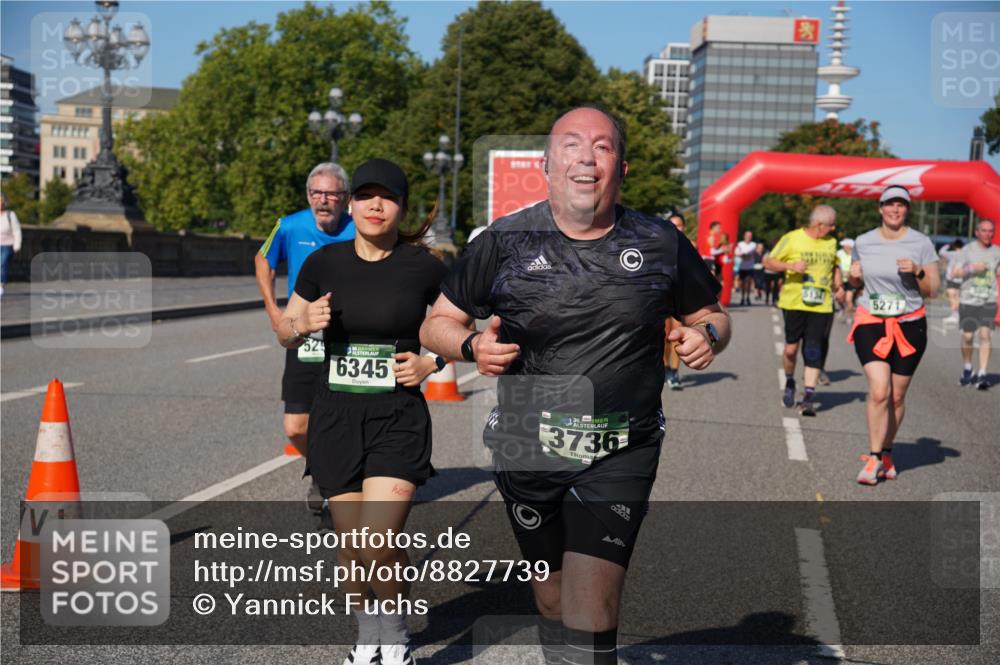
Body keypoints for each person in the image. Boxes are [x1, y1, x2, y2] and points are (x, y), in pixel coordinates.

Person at [420, 105, 729, 665]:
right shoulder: (502, 241)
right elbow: (436, 322)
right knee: (552, 597)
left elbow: (713, 313)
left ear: (623, 167)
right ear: (546, 163)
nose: (587, 157)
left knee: (590, 610)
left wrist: (707, 333)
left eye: (603, 146)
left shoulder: (659, 241)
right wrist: (469, 348)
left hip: (621, 444)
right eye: (571, 144)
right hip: (526, 438)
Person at [277, 159, 447, 665]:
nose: (376, 205)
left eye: (387, 196)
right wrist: (302, 321)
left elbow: (461, 326)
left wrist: (431, 361)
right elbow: (285, 330)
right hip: (335, 416)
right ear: (351, 204)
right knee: (352, 547)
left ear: (401, 207)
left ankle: (395, 641)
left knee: (376, 538)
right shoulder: (323, 264)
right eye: (366, 195)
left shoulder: (426, 266)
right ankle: (366, 638)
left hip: (397, 416)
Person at [256, 162, 356, 511]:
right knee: (296, 426)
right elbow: (262, 259)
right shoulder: (287, 225)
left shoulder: (360, 228)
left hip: (350, 337)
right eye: (316, 193)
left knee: (350, 420)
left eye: (331, 194)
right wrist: (274, 311)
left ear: (345, 198)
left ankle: (341, 483)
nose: (323, 200)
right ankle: (324, 472)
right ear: (308, 195)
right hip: (304, 334)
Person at [848, 185, 939, 484]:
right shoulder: (864, 241)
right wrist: (853, 278)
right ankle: (874, 458)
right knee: (879, 390)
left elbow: (932, 291)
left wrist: (918, 271)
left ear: (907, 210)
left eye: (901, 205)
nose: (895, 210)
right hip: (871, 321)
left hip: (910, 323)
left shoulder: (921, 243)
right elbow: (854, 284)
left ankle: (886, 452)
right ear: (880, 208)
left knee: (897, 397)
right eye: (890, 204)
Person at [763, 205, 841, 416]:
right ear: (819, 225)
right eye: (831, 225)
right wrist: (790, 267)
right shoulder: (792, 238)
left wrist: (839, 285)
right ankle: (790, 381)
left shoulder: (832, 242)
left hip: (822, 304)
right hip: (794, 302)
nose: (834, 228)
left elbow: (835, 266)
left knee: (813, 349)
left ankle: (808, 396)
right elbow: (768, 262)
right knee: (790, 349)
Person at [950, 219, 1000, 390]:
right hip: (968, 300)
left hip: (989, 299)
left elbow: (997, 270)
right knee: (968, 337)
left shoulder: (997, 251)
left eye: (990, 231)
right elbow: (954, 272)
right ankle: (967, 367)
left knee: (985, 336)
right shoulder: (966, 251)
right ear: (977, 232)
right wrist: (972, 268)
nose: (987, 234)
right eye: (984, 231)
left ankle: (982, 373)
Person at [664, 210, 687, 390]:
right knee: (663, 337)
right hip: (662, 298)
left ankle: (674, 372)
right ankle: (664, 369)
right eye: (672, 225)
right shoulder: (658, 247)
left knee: (677, 337)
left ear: (684, 227)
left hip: (680, 298)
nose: (675, 228)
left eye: (678, 225)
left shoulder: (690, 248)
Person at [0, 193, 22, 298]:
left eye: (1, 202)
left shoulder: (10, 215)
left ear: (4, 203)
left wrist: (17, 245)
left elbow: (16, 231)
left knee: (3, 264)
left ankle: (1, 286)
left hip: (7, 245)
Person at [940, 239, 965, 325]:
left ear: (955, 246)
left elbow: (941, 252)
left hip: (951, 278)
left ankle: (954, 315)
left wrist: (948, 245)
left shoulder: (952, 254)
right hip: (961, 279)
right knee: (957, 297)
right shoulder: (965, 255)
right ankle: (957, 315)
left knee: (951, 296)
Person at [836, 238, 856, 323]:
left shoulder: (855, 255)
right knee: (839, 298)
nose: (843, 247)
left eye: (845, 245)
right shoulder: (839, 253)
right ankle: (842, 308)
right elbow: (836, 265)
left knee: (848, 300)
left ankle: (849, 317)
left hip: (851, 280)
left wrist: (851, 272)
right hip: (841, 279)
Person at [735, 230, 758, 306]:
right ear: (744, 236)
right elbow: (736, 252)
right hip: (742, 267)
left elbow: (752, 251)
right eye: (747, 236)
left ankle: (748, 298)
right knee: (742, 283)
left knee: (748, 282)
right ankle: (742, 298)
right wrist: (741, 254)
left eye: (750, 236)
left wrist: (743, 254)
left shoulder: (753, 244)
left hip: (750, 267)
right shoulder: (740, 244)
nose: (748, 237)